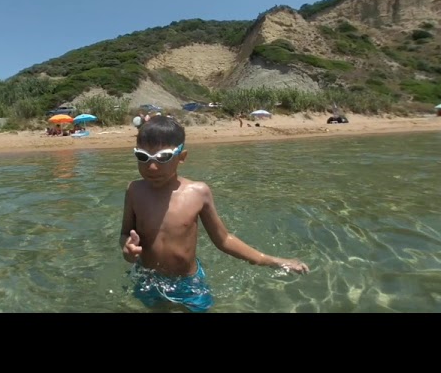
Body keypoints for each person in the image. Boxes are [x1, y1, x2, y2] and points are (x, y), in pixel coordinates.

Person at [120, 116, 309, 312]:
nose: (152, 167)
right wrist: (127, 248)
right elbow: (125, 233)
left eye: (163, 157)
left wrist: (271, 261)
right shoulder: (134, 191)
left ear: (181, 157)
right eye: (143, 157)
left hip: (188, 283)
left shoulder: (198, 193)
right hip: (148, 279)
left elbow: (224, 239)